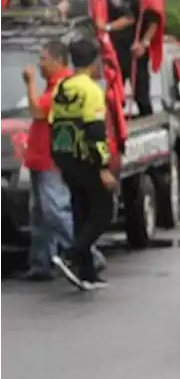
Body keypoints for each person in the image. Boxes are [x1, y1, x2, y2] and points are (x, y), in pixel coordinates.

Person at [48, 37, 117, 290]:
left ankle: (86, 272)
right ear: (95, 61)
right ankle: (72, 254)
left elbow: (53, 123)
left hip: (65, 157)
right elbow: (96, 131)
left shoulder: (61, 87)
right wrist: (103, 168)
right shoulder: (91, 90)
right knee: (102, 211)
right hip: (87, 158)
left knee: (81, 210)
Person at [21, 42, 74, 280]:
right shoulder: (52, 86)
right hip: (39, 159)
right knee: (40, 214)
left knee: (55, 211)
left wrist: (30, 83)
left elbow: (37, 112)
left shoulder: (62, 87)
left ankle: (87, 254)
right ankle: (41, 263)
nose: (39, 64)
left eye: (43, 59)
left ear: (57, 61)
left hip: (51, 160)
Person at [102, 0, 159, 116]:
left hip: (135, 54)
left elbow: (154, 22)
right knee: (114, 98)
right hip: (113, 54)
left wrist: (143, 43)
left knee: (142, 97)